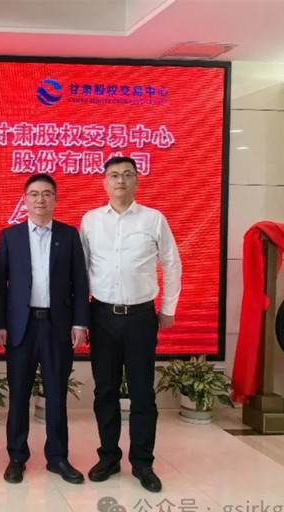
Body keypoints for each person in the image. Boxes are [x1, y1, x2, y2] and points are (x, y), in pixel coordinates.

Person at [79, 156, 182, 493]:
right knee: (105, 390)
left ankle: (142, 462)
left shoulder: (153, 219)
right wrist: (80, 317)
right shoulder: (91, 221)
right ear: (104, 182)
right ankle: (109, 457)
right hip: (102, 316)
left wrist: (168, 307)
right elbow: (81, 271)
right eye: (114, 175)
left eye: (127, 175)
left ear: (137, 180)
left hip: (140, 317)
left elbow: (172, 263)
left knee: (142, 392)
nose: (120, 180)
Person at [0, 173, 89, 485]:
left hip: (57, 327)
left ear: (55, 199)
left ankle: (58, 457)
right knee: (19, 395)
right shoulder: (10, 236)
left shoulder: (68, 235)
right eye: (34, 194)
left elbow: (80, 281)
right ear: (24, 200)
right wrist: (0, 324)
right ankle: (16, 457)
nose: (40, 199)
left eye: (47, 193)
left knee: (57, 395)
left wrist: (80, 322)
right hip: (20, 329)